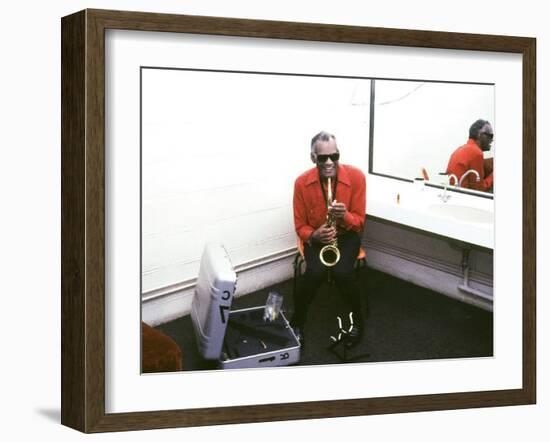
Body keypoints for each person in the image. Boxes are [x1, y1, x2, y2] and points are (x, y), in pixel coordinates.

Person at [291, 131, 366, 347]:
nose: (330, 162)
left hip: (346, 235)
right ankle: (297, 322)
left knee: (343, 272)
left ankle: (357, 321)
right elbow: (300, 226)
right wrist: (314, 235)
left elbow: (359, 222)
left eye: (335, 156)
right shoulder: (301, 183)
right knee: (314, 272)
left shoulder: (357, 177)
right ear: (313, 158)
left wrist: (345, 217)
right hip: (318, 237)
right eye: (323, 158)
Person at [446, 119, 494, 191]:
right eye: (490, 136)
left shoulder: (459, 150)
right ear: (479, 135)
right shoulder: (476, 153)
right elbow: (479, 190)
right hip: (466, 198)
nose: (491, 140)